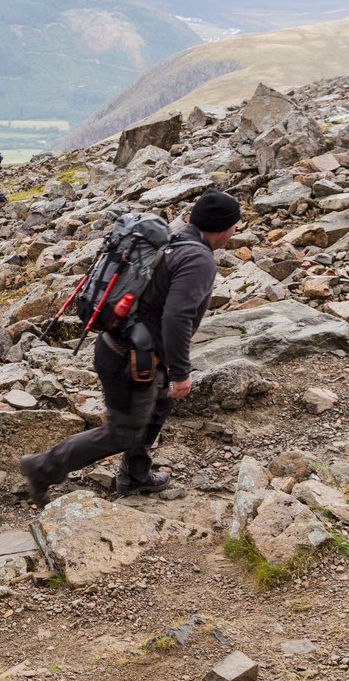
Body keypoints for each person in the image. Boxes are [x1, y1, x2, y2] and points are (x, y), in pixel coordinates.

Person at [20, 190, 241, 503]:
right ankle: (43, 467)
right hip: (132, 360)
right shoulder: (198, 259)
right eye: (234, 226)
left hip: (126, 348)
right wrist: (181, 372)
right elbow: (176, 318)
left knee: (160, 405)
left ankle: (135, 476)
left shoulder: (174, 240)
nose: (235, 232)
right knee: (122, 432)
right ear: (222, 227)